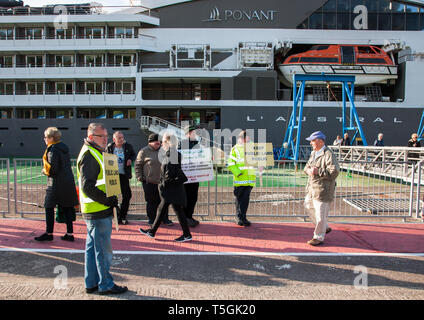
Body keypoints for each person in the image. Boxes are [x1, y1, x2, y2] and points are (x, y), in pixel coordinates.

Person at [77, 123, 128, 295]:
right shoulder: (90, 155)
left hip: (96, 209)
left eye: (107, 135)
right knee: (103, 252)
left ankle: (91, 283)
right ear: (91, 137)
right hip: (97, 210)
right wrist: (108, 201)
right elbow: (87, 187)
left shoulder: (95, 152)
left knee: (92, 250)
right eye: (102, 136)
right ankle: (105, 284)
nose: (106, 139)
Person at [139, 132, 192, 242]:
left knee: (165, 209)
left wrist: (163, 184)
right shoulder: (172, 153)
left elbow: (170, 173)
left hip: (170, 189)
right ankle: (153, 231)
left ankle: (153, 231)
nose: (161, 144)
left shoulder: (171, 154)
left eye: (163, 141)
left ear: (168, 142)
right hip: (173, 188)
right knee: (171, 210)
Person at [35, 127, 79, 242]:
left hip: (55, 183)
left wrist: (45, 171)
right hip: (68, 181)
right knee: (68, 207)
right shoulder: (64, 148)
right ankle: (69, 233)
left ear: (51, 138)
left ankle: (49, 233)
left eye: (46, 137)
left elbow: (53, 169)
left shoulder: (53, 149)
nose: (44, 139)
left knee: (48, 206)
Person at [304, 131, 340, 246]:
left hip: (323, 190)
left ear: (319, 141)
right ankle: (325, 227)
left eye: (312, 140)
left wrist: (317, 171)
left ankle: (318, 236)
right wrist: (307, 170)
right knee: (307, 205)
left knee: (320, 214)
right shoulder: (314, 153)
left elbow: (334, 171)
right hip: (312, 188)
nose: (311, 143)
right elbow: (306, 167)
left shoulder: (328, 154)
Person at [135, 133, 173, 226]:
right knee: (151, 201)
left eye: (159, 141)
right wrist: (139, 177)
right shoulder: (143, 151)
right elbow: (138, 165)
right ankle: (152, 218)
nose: (158, 143)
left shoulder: (163, 150)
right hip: (149, 182)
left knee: (164, 201)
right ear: (150, 142)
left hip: (162, 182)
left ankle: (165, 219)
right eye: (155, 141)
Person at [227, 130, 256, 227]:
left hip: (249, 180)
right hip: (240, 180)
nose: (249, 139)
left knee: (245, 201)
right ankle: (239, 218)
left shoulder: (253, 148)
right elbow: (231, 164)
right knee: (239, 200)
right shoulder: (235, 149)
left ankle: (243, 217)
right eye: (247, 137)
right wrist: (238, 173)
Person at [106, 131, 136, 225]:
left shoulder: (128, 146)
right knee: (113, 197)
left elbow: (133, 154)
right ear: (114, 139)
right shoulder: (110, 147)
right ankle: (116, 216)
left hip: (124, 175)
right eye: (119, 138)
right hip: (113, 175)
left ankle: (123, 216)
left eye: (122, 137)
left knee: (127, 195)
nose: (121, 139)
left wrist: (130, 159)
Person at [180, 125, 201, 227]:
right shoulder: (182, 143)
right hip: (185, 175)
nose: (194, 134)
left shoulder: (198, 143)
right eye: (192, 132)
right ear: (187, 133)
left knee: (193, 197)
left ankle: (189, 216)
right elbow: (180, 157)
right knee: (186, 197)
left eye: (195, 132)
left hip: (195, 175)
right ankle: (185, 218)